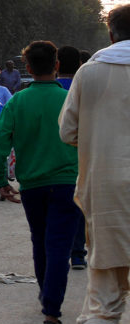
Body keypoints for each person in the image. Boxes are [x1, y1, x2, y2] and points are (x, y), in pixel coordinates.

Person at [59, 4, 130, 324]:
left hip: (105, 185)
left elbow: (67, 132)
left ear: (110, 34)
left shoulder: (90, 72)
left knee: (106, 265)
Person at [0, 41, 79, 324]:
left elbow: (0, 142)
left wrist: (0, 180)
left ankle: (47, 296)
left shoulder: (17, 102)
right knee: (58, 247)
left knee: (40, 243)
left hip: (32, 187)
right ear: (56, 66)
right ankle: (51, 314)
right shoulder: (70, 99)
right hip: (68, 184)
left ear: (27, 69)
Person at [56, 45, 88, 270]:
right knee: (78, 211)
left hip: (46, 166)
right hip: (79, 163)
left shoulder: (38, 92)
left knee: (53, 215)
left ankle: (56, 256)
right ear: (79, 65)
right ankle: (77, 255)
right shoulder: (84, 91)